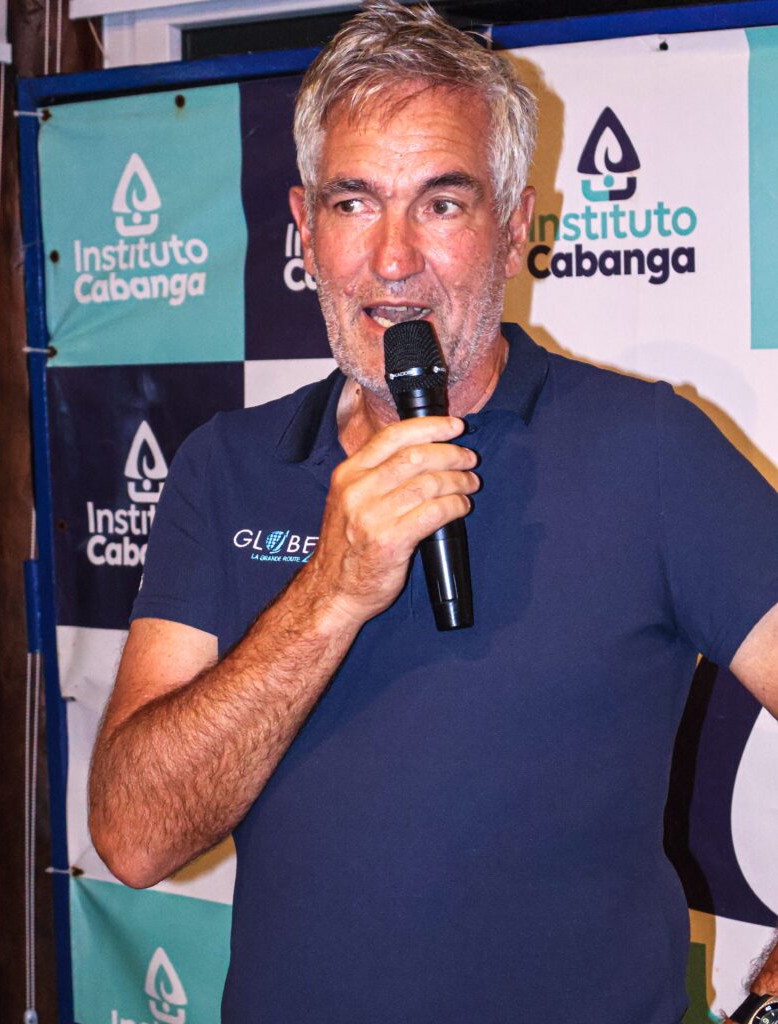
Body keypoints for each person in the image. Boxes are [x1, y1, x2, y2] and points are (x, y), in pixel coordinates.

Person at [88, 3, 778, 1022]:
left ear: (513, 226)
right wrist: (330, 594)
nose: (393, 258)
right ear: (305, 228)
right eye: (354, 202)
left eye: (441, 203)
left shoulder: (651, 450)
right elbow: (134, 838)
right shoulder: (225, 465)